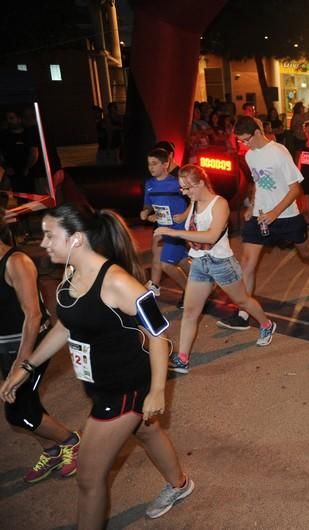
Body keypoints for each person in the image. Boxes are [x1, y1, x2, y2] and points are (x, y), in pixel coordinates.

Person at [0, 203, 193, 526]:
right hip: (100, 383)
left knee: (88, 479)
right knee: (146, 432)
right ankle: (180, 485)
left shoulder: (117, 282)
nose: (43, 242)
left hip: (125, 387)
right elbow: (65, 326)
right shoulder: (72, 271)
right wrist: (27, 366)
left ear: (76, 239)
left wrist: (158, 390)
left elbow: (159, 333)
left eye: (50, 235)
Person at [218, 117, 309, 331]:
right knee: (247, 263)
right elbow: (258, 182)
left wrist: (275, 212)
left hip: (286, 215)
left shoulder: (279, 152)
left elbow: (295, 190)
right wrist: (252, 206)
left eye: (246, 140)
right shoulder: (250, 155)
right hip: (260, 215)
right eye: (241, 141)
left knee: (307, 252)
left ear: (257, 133)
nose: (244, 145)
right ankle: (244, 313)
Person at [154, 165, 277, 373]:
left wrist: (174, 234)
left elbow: (211, 236)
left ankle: (266, 325)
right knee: (191, 312)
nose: (184, 192)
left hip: (221, 263)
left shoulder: (219, 204)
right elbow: (183, 221)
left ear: (201, 183)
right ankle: (183, 358)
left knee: (242, 301)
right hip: (199, 263)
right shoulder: (193, 202)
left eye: (187, 188)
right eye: (182, 189)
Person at [0, 208, 79, 484]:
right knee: (20, 407)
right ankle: (52, 450)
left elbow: (33, 316)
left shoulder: (16, 261)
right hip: (3, 347)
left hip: (29, 345)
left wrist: (21, 365)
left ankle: (71, 441)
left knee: (19, 411)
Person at [139, 148, 189, 306]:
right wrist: (146, 212)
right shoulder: (149, 184)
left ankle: (191, 293)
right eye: (148, 164)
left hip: (178, 228)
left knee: (166, 264)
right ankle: (203, 285)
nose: (151, 167)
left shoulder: (177, 183)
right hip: (162, 228)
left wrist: (184, 215)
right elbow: (149, 203)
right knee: (181, 260)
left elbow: (195, 200)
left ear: (165, 164)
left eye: (154, 164)